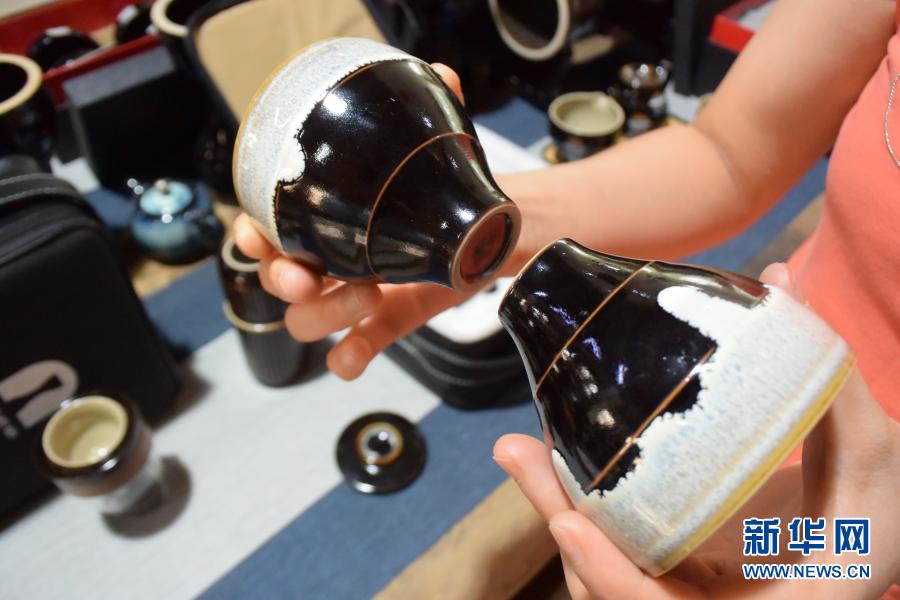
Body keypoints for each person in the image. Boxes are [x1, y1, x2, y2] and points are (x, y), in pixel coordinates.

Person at [234, 0, 900, 595]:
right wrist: (457, 216)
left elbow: (844, 552)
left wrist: (854, 553)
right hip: (764, 422)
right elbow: (730, 153)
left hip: (828, 485)